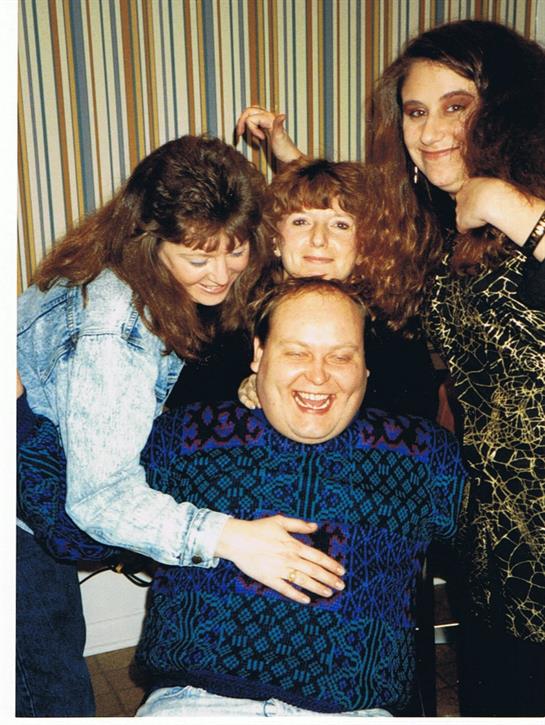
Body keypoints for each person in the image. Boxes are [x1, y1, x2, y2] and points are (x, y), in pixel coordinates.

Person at [237, 19, 545, 717]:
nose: (430, 131)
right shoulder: (440, 220)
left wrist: (518, 211)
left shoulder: (519, 203)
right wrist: (287, 155)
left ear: (507, 111)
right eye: (414, 111)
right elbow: (338, 225)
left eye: (455, 106)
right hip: (495, 534)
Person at [18, 277, 467, 716]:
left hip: (352, 712)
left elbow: (488, 549)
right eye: (296, 352)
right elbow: (77, 537)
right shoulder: (184, 437)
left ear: (365, 365)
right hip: (196, 703)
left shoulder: (423, 453)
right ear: (258, 354)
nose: (318, 375)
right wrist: (18, 409)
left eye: (341, 356)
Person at [16, 135, 343, 717]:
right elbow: (100, 499)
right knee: (46, 693)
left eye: (235, 251)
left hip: (27, 492)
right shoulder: (114, 324)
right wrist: (234, 538)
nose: (220, 274)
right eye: (198, 258)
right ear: (149, 238)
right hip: (16, 523)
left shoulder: (145, 279)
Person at [233, 157, 439, 418]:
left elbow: (415, 416)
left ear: (363, 244)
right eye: (301, 221)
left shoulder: (390, 328)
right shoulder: (240, 314)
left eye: (340, 225)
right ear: (275, 239)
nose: (319, 239)